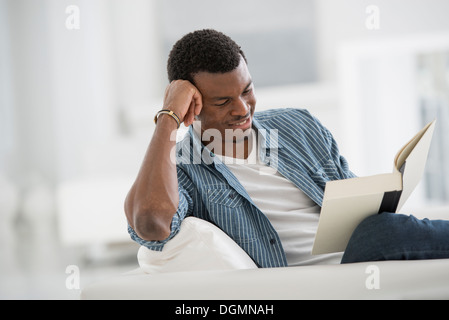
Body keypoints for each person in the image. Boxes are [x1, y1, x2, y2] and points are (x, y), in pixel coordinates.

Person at [124, 29, 449, 268]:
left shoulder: (297, 124)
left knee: (383, 228)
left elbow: (353, 197)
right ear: (191, 106)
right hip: (321, 279)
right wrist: (167, 118)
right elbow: (151, 224)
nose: (242, 109)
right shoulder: (184, 168)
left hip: (371, 256)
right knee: (381, 233)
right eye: (222, 101)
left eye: (247, 90)